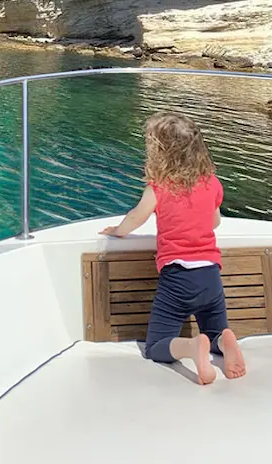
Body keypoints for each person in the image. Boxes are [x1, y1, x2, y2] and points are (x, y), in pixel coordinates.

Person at [100, 112, 247, 385]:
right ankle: (224, 343)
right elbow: (214, 221)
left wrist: (117, 232)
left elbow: (136, 217)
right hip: (211, 275)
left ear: (160, 153)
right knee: (215, 330)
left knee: (156, 346)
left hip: (178, 278)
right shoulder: (212, 183)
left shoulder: (159, 188)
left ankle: (191, 348)